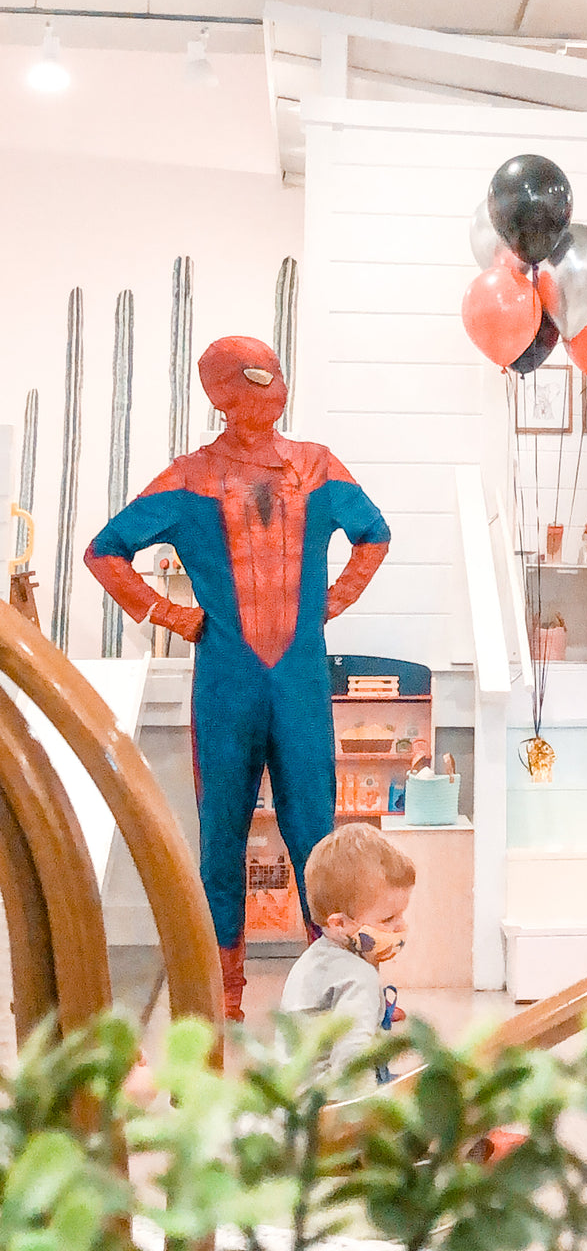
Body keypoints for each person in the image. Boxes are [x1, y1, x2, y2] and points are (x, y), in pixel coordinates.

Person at [85, 335, 391, 1022]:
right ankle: (223, 995)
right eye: (255, 376)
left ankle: (341, 988)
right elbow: (104, 551)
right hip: (228, 680)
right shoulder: (189, 476)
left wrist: (330, 602)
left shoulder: (315, 466)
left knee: (317, 832)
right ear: (220, 392)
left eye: (276, 373)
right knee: (221, 834)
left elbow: (375, 533)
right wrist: (168, 612)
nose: (271, 387)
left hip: (294, 679)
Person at [281, 823, 415, 1084]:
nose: (399, 926)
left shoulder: (312, 958)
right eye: (388, 918)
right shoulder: (357, 976)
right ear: (340, 924)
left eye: (401, 914)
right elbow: (353, 1064)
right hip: (327, 1108)